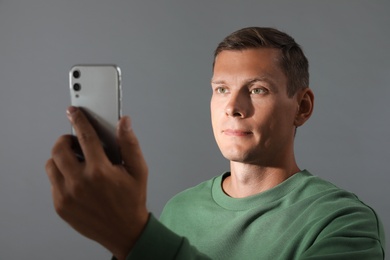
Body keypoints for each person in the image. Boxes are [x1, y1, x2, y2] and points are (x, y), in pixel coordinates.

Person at [46, 27, 385, 259]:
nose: (233, 107)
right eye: (222, 89)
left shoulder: (344, 223)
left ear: (303, 106)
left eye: (257, 90)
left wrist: (136, 238)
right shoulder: (179, 210)